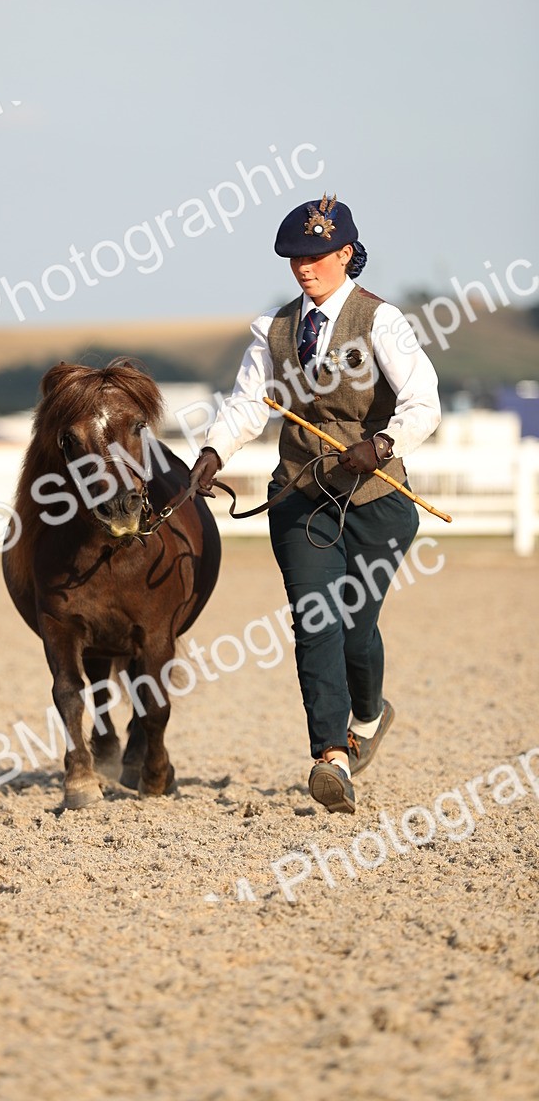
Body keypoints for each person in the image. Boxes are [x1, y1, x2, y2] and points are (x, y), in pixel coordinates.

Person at [189, 193, 441, 814]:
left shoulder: (381, 322)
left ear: (346, 254)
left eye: (318, 254)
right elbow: (250, 403)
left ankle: (368, 714)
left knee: (356, 628)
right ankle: (331, 758)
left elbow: (424, 402)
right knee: (315, 618)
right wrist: (214, 454)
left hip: (378, 502)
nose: (305, 266)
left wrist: (381, 444)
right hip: (302, 498)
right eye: (295, 257)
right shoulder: (274, 331)